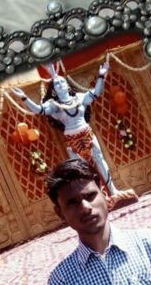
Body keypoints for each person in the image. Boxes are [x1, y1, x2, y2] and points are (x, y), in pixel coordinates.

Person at [11, 61, 119, 194]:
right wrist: (24, 98)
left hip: (87, 134)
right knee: (81, 169)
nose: (60, 84)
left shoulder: (79, 98)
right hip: (72, 140)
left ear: (67, 85)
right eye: (56, 84)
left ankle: (113, 191)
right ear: (55, 90)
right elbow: (38, 110)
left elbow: (96, 93)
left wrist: (101, 75)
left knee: (100, 160)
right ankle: (96, 194)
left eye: (62, 82)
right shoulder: (54, 105)